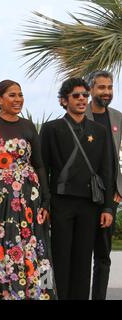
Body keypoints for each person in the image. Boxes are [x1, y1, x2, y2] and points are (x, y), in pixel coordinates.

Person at [0, 80, 56, 300]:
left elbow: (39, 164)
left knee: (31, 244)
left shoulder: (28, 126)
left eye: (20, 95)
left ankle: (33, 293)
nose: (18, 99)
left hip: (28, 197)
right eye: (12, 95)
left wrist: (46, 199)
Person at [40, 78, 113, 300]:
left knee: (83, 260)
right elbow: (43, 169)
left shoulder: (99, 131)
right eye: (76, 95)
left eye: (85, 95)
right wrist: (45, 203)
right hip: (60, 203)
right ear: (64, 101)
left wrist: (108, 208)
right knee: (60, 259)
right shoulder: (51, 129)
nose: (82, 99)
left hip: (90, 204)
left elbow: (106, 170)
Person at [84, 71, 122, 300]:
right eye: (101, 87)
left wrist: (119, 189)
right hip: (81, 195)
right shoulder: (79, 114)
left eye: (109, 87)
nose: (106, 92)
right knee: (79, 254)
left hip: (110, 196)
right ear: (90, 90)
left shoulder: (118, 117)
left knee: (103, 256)